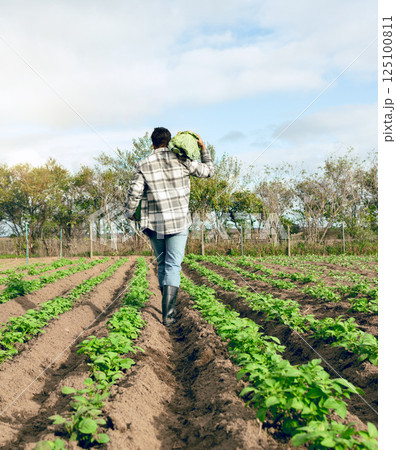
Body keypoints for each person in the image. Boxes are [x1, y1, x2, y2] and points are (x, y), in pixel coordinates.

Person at [124, 127, 214, 326]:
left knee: (163, 264)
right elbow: (208, 172)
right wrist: (203, 149)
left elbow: (134, 193)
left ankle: (167, 307)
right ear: (169, 141)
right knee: (174, 265)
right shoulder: (183, 161)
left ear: (153, 144)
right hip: (179, 222)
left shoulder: (143, 164)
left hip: (154, 224)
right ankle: (168, 315)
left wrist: (130, 213)